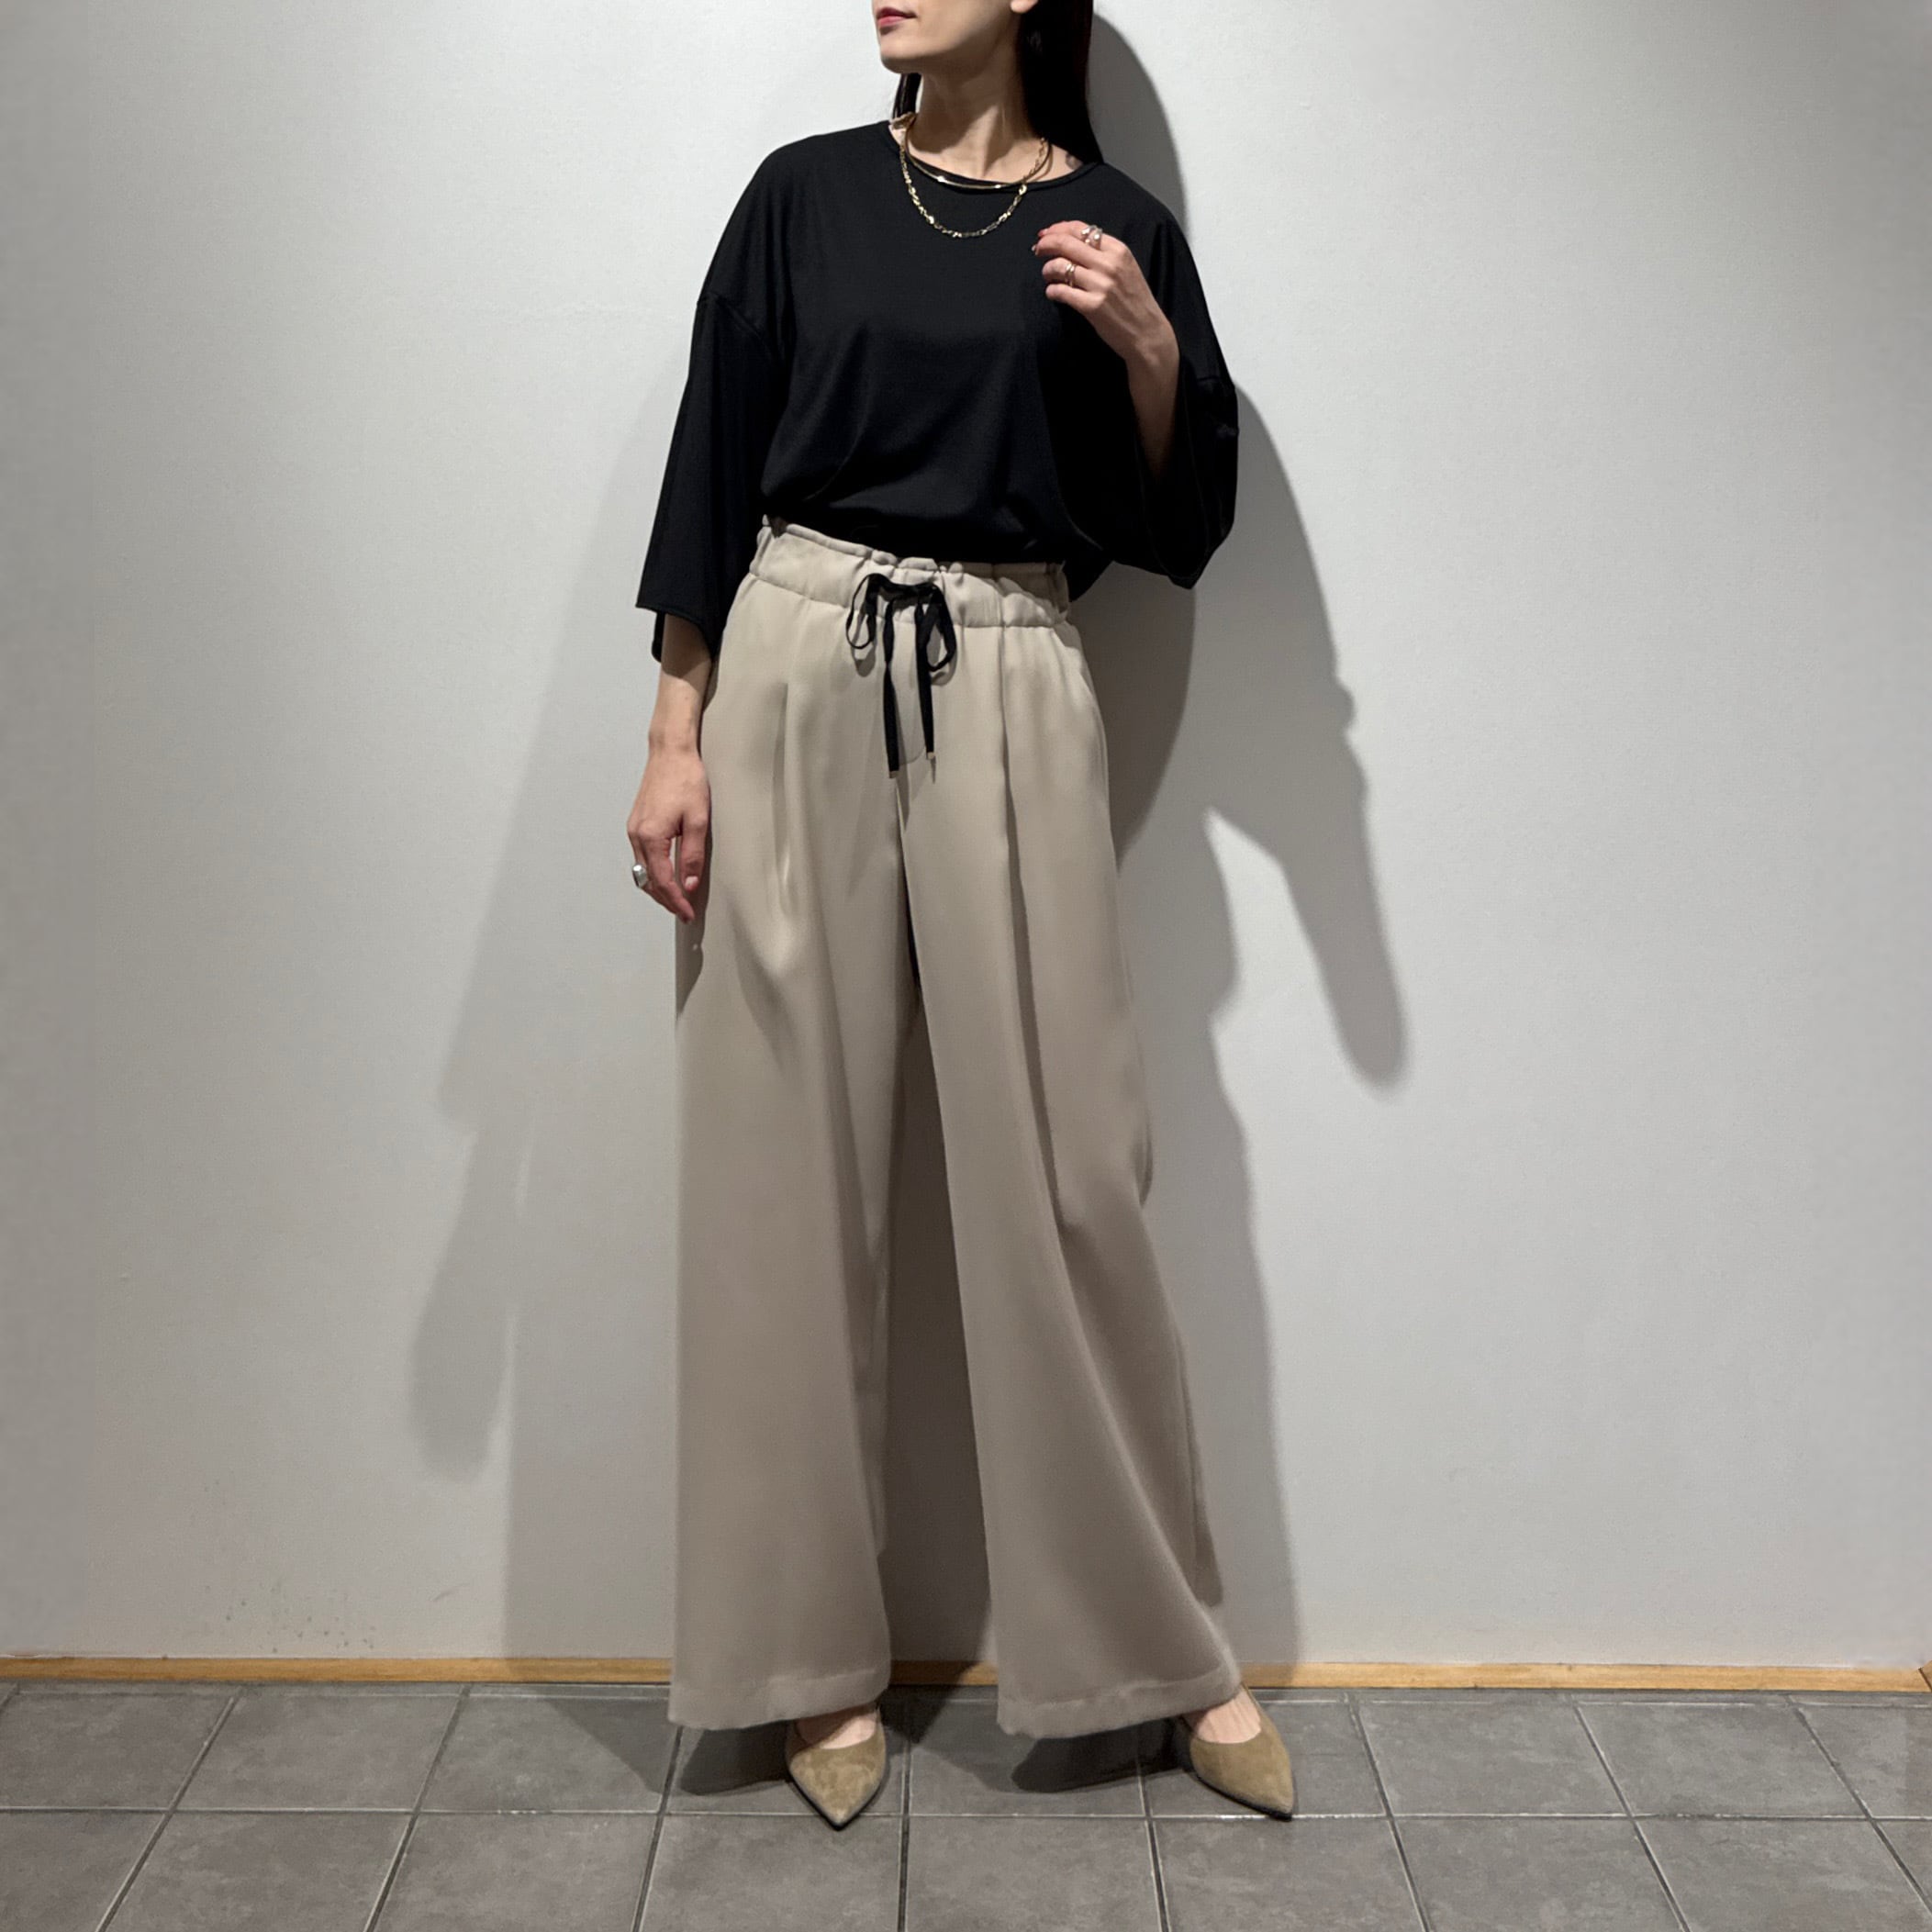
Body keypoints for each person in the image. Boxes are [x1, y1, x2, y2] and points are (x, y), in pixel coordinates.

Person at [626, 0, 1293, 1829]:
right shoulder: (803, 196)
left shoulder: (1118, 229)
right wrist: (673, 735)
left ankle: (1156, 1649)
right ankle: (800, 1662)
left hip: (1006, 659)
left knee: (1070, 1168)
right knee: (779, 1168)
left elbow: (1179, 522)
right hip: (791, 652)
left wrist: (1150, 348)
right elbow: (714, 456)